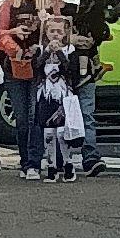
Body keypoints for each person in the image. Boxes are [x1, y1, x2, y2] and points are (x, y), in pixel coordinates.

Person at [0, 0, 46, 180]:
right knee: (21, 118)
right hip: (15, 65)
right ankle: (25, 161)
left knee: (36, 116)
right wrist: (13, 33)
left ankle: (34, 162)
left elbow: (60, 29)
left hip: (40, 66)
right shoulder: (11, 2)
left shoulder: (49, 1)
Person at [73, 0, 113, 175]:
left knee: (87, 114)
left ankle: (90, 157)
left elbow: (99, 19)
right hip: (68, 66)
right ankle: (60, 157)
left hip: (85, 61)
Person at [35, 16, 84, 182]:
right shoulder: (41, 50)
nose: (55, 34)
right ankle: (51, 166)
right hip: (46, 95)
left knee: (63, 132)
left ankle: (68, 164)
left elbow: (71, 71)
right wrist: (47, 52)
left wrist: (60, 54)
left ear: (65, 33)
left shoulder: (71, 50)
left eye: (59, 31)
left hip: (63, 96)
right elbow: (35, 67)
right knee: (48, 133)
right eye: (52, 31)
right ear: (46, 32)